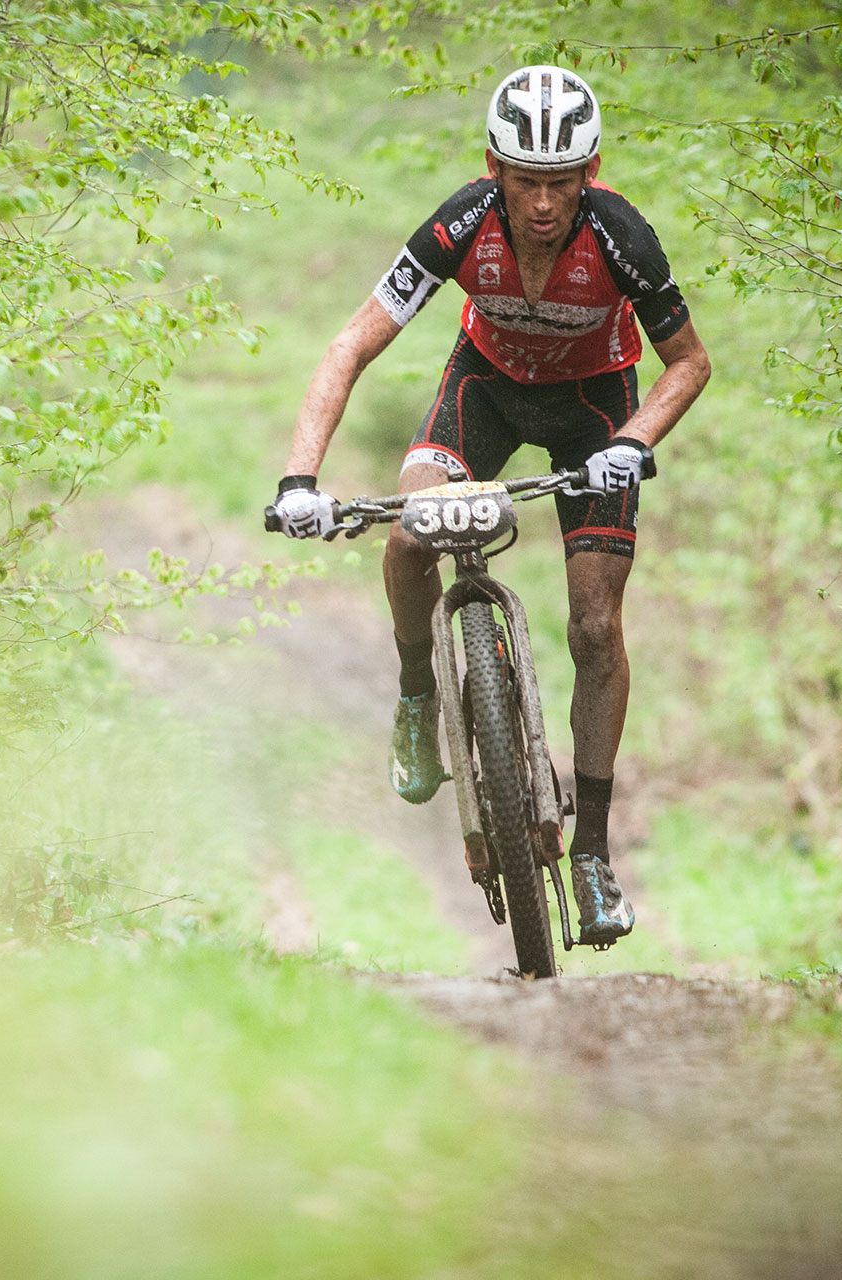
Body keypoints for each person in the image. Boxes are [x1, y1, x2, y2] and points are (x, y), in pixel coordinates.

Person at [269, 66, 711, 945]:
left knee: (594, 628)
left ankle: (591, 856)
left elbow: (689, 364)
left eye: (562, 181)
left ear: (590, 173)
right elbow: (354, 341)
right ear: (494, 169)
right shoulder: (461, 222)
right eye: (525, 179)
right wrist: (299, 480)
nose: (544, 203)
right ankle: (414, 699)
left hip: (596, 409)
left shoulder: (622, 236)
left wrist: (633, 444)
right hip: (487, 390)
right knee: (407, 538)